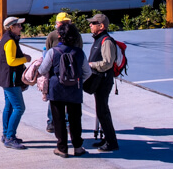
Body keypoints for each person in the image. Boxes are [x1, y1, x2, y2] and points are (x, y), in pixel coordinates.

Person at [39, 23, 91, 158]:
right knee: (75, 119)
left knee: (59, 119)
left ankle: (62, 148)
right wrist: (77, 80)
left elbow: (42, 70)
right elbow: (87, 72)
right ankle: (78, 147)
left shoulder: (53, 52)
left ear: (59, 35)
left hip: (56, 89)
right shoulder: (79, 53)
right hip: (74, 89)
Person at [44, 12, 81, 132]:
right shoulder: (52, 36)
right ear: (57, 23)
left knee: (70, 100)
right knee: (54, 99)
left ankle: (69, 122)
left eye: (67, 22)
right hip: (56, 73)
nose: (66, 24)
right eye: (64, 22)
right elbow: (48, 52)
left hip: (71, 72)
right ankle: (51, 122)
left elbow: (79, 50)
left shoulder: (76, 35)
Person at [0, 16, 30, 149]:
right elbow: (11, 61)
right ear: (11, 27)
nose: (21, 28)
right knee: (19, 108)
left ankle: (6, 134)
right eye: (18, 26)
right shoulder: (10, 41)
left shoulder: (7, 38)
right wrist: (25, 59)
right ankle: (10, 137)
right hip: (11, 80)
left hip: (5, 79)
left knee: (9, 107)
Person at [88, 13, 119, 151]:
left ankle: (111, 142)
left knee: (103, 111)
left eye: (93, 23)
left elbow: (107, 63)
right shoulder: (98, 39)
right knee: (101, 110)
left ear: (101, 26)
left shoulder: (106, 41)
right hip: (99, 79)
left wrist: (91, 65)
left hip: (104, 81)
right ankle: (106, 138)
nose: (90, 25)